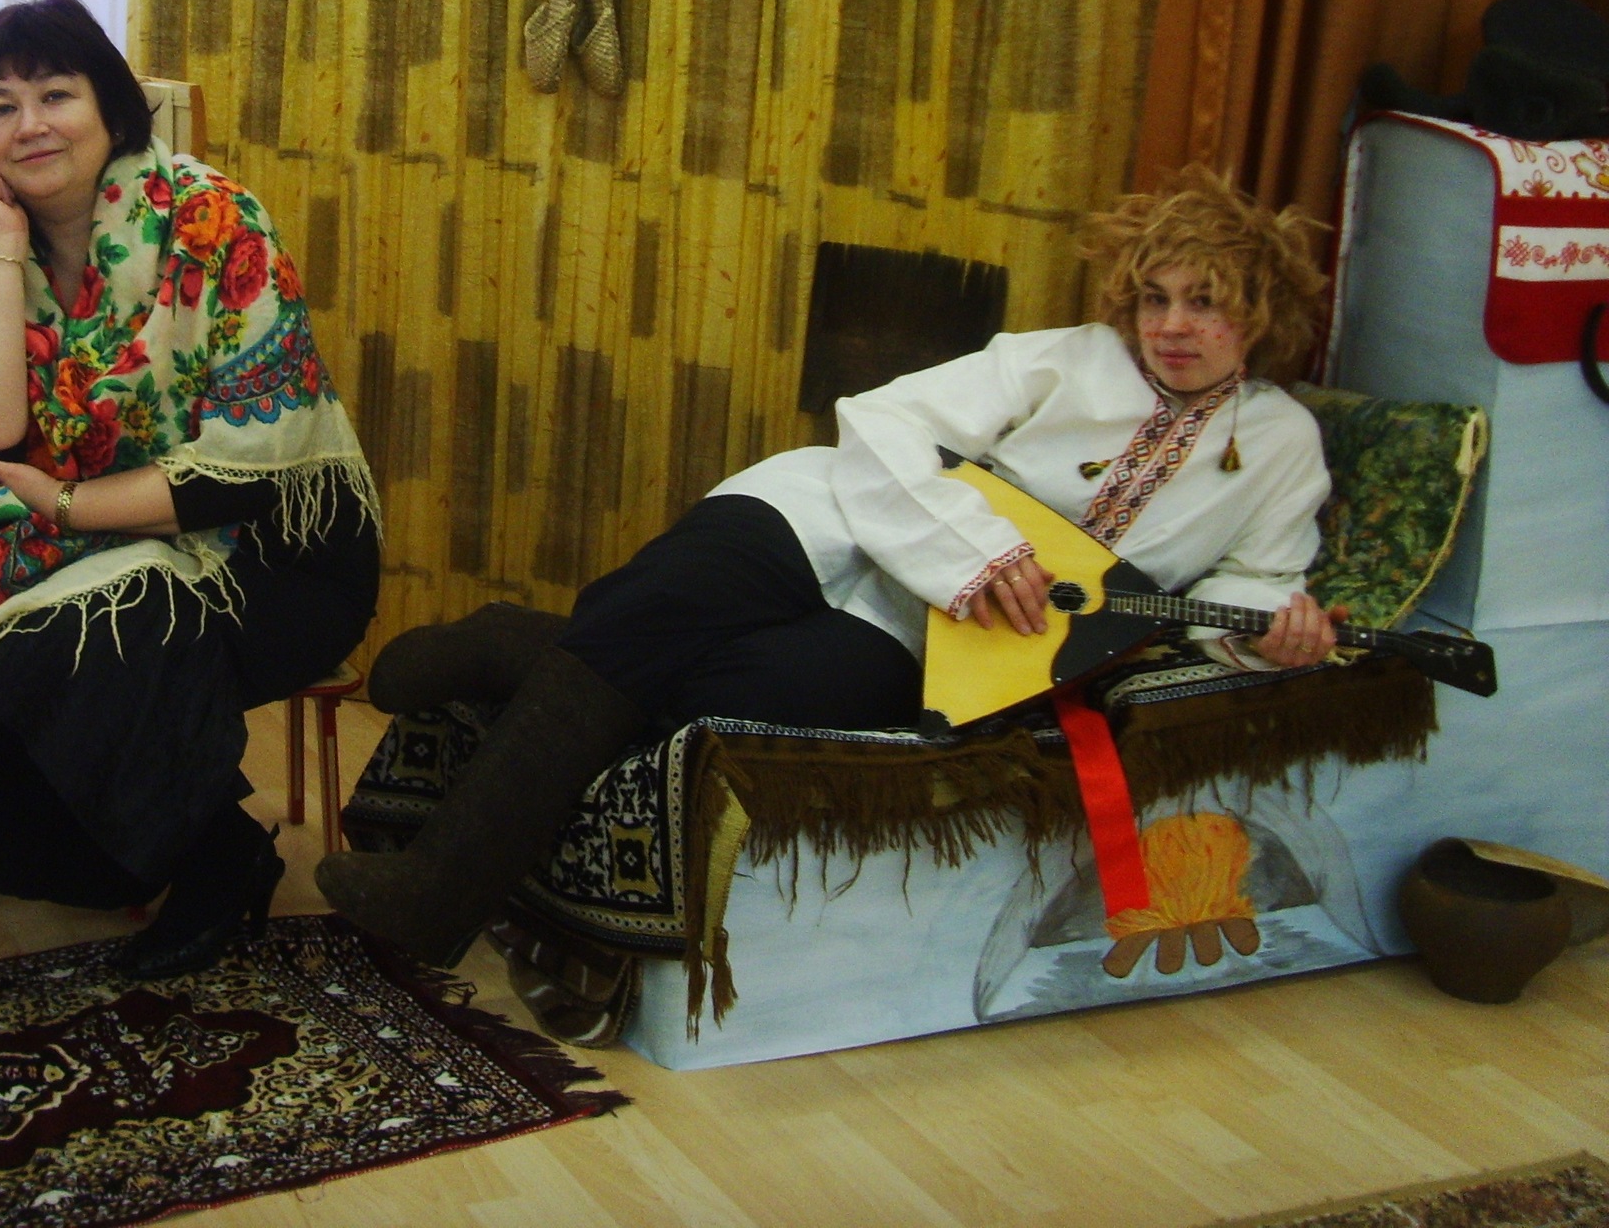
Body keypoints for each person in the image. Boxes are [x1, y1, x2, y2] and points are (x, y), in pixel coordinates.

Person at [318, 166, 1335, 962]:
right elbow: (884, 421)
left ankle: (510, 643)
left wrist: (1274, 631)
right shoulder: (1063, 359)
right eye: (1154, 298)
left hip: (938, 642)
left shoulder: (1282, 443)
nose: (1170, 326)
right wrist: (979, 549)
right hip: (825, 519)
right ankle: (436, 894)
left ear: (1260, 311)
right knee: (651, 613)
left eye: (1204, 303)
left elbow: (1247, 584)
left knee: (728, 702)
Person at [0, 0, 381, 1026]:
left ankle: (214, 856)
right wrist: (5, 246)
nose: (31, 124)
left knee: (89, 625)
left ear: (112, 109)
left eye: (57, 94)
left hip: (269, 552)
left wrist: (67, 502)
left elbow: (246, 474)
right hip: (88, 522)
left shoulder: (214, 222)